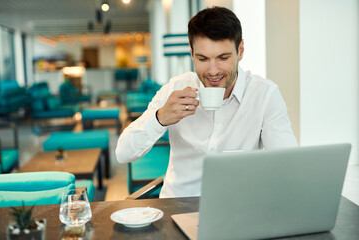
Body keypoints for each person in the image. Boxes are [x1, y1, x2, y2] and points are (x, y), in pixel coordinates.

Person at [116, 6, 298, 198]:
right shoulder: (175, 88)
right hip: (177, 207)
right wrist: (160, 118)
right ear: (191, 53)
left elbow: (288, 165)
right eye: (203, 58)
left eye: (223, 58)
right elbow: (123, 153)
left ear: (241, 50)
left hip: (238, 206)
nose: (213, 71)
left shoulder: (264, 95)